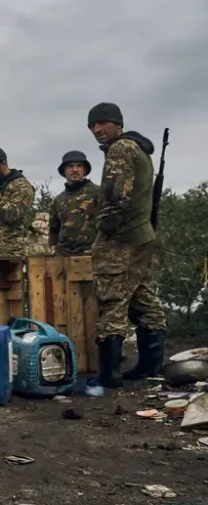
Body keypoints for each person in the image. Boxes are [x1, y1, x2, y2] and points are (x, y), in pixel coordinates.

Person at [87, 102, 167, 386]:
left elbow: (115, 195)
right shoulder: (141, 150)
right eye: (93, 126)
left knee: (112, 299)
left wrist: (104, 230)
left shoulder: (121, 149)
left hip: (121, 239)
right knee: (144, 298)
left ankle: (110, 374)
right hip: (143, 236)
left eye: (103, 123)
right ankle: (151, 367)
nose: (97, 129)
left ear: (118, 123)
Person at [48, 151, 101, 256]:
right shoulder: (58, 200)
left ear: (85, 170)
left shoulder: (98, 193)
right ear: (64, 171)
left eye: (79, 166)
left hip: (91, 255)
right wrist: (53, 249)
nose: (75, 170)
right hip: (63, 256)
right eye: (70, 166)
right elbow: (54, 229)